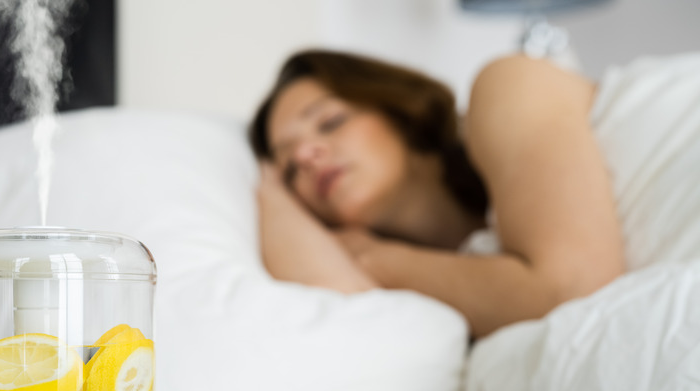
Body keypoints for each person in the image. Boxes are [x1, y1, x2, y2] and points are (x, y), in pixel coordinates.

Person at [249, 50, 626, 338]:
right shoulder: (437, 293)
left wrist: (371, 257)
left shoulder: (509, 86)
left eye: (330, 122)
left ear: (399, 110)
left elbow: (575, 296)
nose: (305, 156)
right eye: (290, 169)